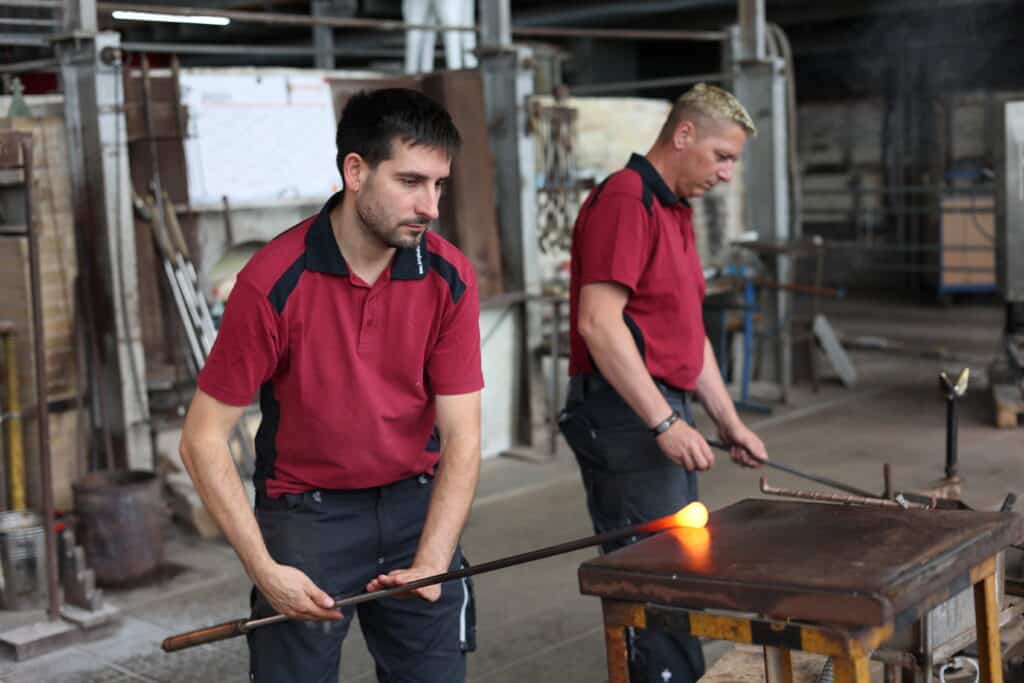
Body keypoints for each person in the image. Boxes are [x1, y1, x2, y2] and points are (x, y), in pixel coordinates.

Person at [178, 88, 483, 683]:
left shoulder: (449, 275)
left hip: (413, 510)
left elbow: (464, 439)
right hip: (308, 517)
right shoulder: (272, 281)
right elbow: (202, 440)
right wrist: (265, 569)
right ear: (356, 171)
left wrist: (433, 558)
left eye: (439, 185)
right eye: (412, 182)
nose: (431, 206)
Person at [559, 83, 769, 683]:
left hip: (653, 409)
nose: (726, 174)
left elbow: (686, 334)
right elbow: (599, 324)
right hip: (625, 418)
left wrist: (729, 421)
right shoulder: (626, 200)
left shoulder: (674, 209)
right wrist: (664, 421)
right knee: (657, 585)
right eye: (721, 157)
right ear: (683, 136)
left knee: (679, 575)